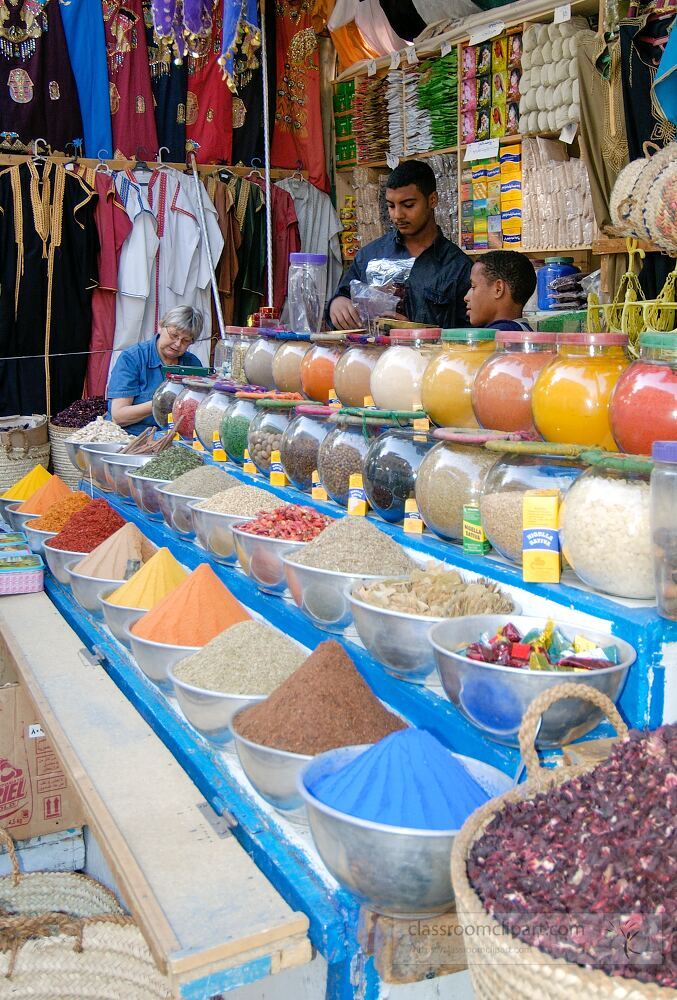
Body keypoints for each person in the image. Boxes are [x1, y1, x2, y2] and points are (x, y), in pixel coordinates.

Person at [328, 160, 472, 330]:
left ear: (432, 200)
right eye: (391, 206)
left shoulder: (458, 267)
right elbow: (342, 297)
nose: (397, 215)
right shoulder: (371, 255)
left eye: (408, 205)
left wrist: (417, 333)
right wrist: (337, 304)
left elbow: (470, 339)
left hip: (426, 356)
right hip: (375, 355)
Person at [107, 306, 204, 434]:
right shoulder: (132, 358)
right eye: (174, 335)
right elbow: (119, 416)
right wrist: (162, 402)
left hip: (174, 438)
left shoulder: (193, 364)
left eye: (185, 341)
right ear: (160, 326)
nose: (177, 344)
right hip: (130, 436)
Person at [464, 251, 537, 331]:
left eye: (473, 286)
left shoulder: (498, 335)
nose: (466, 297)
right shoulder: (522, 329)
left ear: (498, 289)